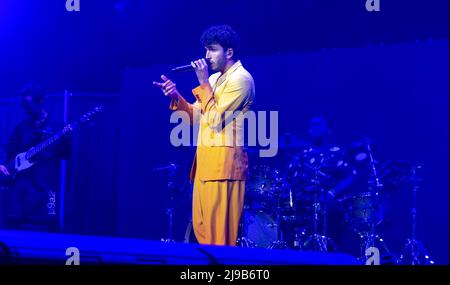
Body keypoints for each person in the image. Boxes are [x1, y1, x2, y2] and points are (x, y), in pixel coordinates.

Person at [153, 25, 255, 246]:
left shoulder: (241, 79)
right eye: (206, 50)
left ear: (229, 52)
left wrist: (202, 83)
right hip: (205, 166)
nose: (206, 56)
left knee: (219, 240)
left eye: (212, 49)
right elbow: (196, 117)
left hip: (224, 168)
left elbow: (217, 121)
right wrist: (175, 96)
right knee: (203, 234)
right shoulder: (216, 79)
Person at [0, 84, 71, 232]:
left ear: (40, 102)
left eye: (29, 104)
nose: (26, 108)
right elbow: (8, 149)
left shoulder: (57, 126)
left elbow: (66, 155)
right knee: (18, 226)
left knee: (48, 226)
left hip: (47, 187)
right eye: (24, 105)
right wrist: (2, 164)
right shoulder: (21, 127)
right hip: (22, 189)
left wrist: (66, 140)